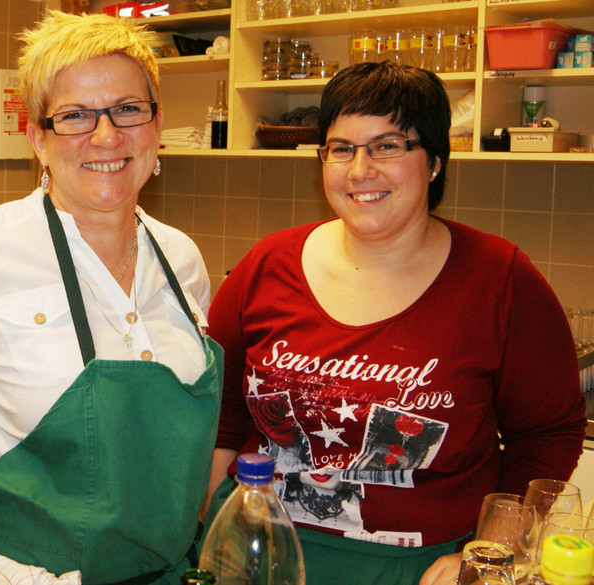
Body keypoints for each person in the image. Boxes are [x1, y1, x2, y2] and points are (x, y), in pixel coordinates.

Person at [203, 61, 586, 585]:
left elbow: (546, 435)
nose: (360, 170)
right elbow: (222, 421)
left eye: (387, 146)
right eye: (341, 148)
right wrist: (208, 532)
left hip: (420, 567)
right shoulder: (265, 266)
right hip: (257, 552)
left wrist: (489, 553)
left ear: (434, 162)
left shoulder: (500, 280)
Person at [0, 10, 222, 585]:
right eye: (75, 115)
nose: (106, 136)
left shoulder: (181, 259)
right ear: (37, 138)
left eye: (127, 109)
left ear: (157, 124)